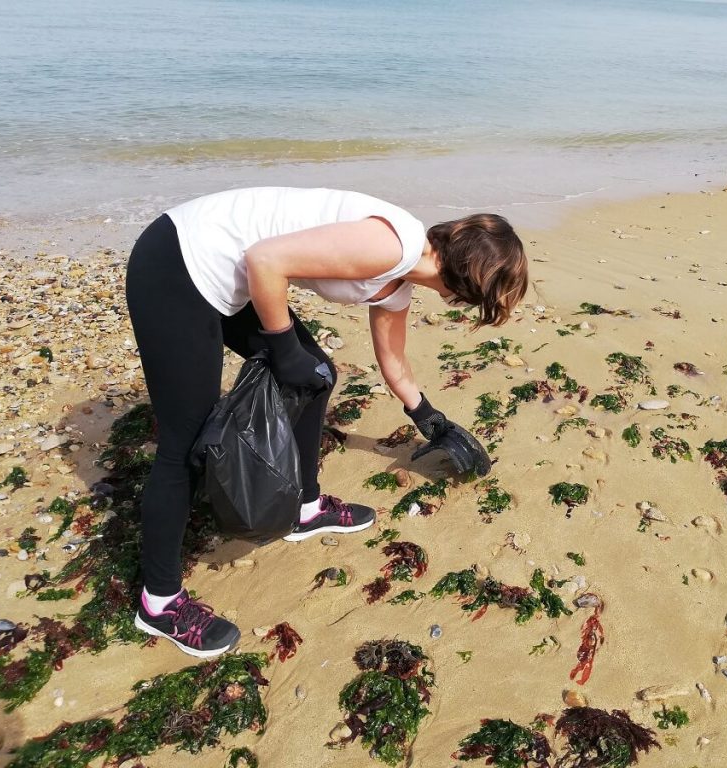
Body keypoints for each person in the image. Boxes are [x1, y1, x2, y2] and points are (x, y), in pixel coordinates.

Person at [125, 186, 528, 658]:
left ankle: (303, 507)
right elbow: (266, 260)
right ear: (472, 280)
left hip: (231, 274)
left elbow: (393, 361)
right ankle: (160, 602)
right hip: (178, 263)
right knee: (184, 443)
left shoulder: (400, 278)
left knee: (316, 375)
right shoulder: (391, 246)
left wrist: (430, 419)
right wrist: (281, 347)